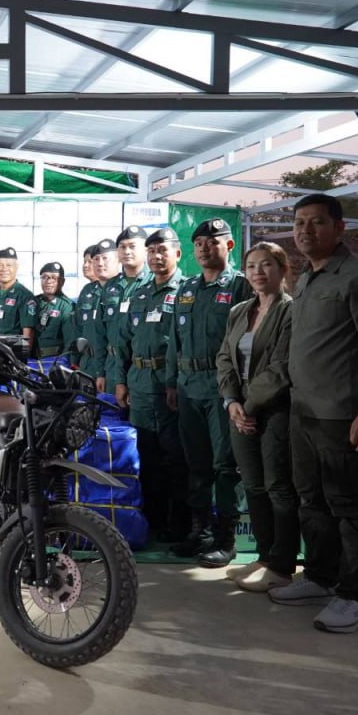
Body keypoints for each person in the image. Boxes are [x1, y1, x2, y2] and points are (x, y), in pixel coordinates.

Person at [268, 193, 358, 634]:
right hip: (303, 413)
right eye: (299, 223)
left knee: (352, 506)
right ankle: (320, 579)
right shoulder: (306, 279)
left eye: (317, 222)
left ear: (339, 228)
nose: (305, 230)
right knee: (312, 501)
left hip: (342, 415)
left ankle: (356, 596)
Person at [165, 218, 250, 565]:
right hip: (188, 388)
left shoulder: (241, 286)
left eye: (212, 242)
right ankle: (199, 533)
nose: (204, 249)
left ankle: (225, 539)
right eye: (199, 243)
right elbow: (175, 340)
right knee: (196, 464)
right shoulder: (187, 288)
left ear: (229, 246)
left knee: (225, 466)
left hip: (222, 389)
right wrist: (171, 382)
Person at [215, 241, 296, 592]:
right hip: (240, 409)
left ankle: (282, 565)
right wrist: (231, 401)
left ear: (282, 269)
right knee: (253, 485)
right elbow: (224, 358)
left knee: (278, 486)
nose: (257, 272)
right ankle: (264, 557)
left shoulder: (291, 311)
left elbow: (282, 366)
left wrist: (247, 407)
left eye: (266, 265)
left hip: (275, 408)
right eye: (251, 266)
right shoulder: (240, 311)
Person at [116, 227, 187, 543]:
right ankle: (153, 522)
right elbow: (124, 342)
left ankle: (179, 525)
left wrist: (174, 383)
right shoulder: (140, 294)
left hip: (170, 386)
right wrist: (122, 381)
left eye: (163, 250)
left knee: (175, 457)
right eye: (152, 251)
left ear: (177, 254)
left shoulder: (186, 291)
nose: (157, 256)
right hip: (140, 385)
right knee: (145, 457)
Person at [102, 225, 152, 396]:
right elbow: (102, 332)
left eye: (132, 246)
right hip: (112, 365)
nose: (127, 251)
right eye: (122, 247)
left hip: (141, 366)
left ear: (145, 250)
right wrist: (100, 372)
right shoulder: (111, 285)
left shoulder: (154, 283)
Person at [75, 240, 115, 375]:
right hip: (88, 363)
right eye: (96, 259)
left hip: (111, 362)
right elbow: (78, 327)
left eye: (90, 261)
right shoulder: (87, 290)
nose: (86, 265)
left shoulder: (121, 289)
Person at [0, 247, 36, 337]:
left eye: (9, 265)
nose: (4, 269)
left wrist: (26, 347)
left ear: (16, 267)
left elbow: (28, 334)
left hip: (11, 346)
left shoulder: (24, 295)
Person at [30, 262, 75, 358]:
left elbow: (70, 342)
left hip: (54, 360)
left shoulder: (67, 307)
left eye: (54, 278)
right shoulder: (33, 302)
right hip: (31, 359)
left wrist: (62, 362)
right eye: (44, 277)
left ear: (62, 281)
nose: (48, 281)